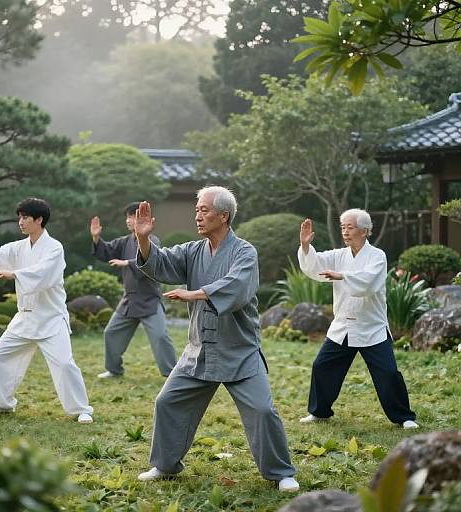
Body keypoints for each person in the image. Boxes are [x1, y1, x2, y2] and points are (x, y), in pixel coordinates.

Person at [134, 186, 299, 492]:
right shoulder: (192, 251)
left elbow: (237, 286)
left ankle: (281, 472)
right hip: (200, 348)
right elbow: (161, 262)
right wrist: (143, 237)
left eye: (204, 210)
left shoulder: (245, 252)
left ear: (224, 216)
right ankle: (165, 465)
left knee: (262, 410)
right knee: (167, 401)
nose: (197, 215)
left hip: (240, 350)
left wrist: (195, 293)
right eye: (196, 209)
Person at [0, 198, 94, 424]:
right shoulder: (18, 247)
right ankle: (3, 404)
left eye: (25, 218)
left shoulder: (54, 248)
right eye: (19, 217)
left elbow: (45, 274)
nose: (20, 222)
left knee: (65, 363)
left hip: (51, 318)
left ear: (39, 220)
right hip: (25, 317)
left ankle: (81, 409)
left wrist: (16, 275)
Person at [297, 209, 418, 429]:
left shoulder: (377, 256)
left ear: (364, 230)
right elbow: (316, 264)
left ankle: (404, 417)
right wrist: (306, 246)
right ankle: (319, 412)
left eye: (349, 227)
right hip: (343, 326)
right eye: (342, 227)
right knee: (322, 366)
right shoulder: (339, 256)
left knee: (388, 373)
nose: (345, 232)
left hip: (372, 327)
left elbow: (369, 283)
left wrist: (343, 275)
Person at [91, 202, 176, 378]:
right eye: (127, 217)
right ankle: (114, 370)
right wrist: (96, 239)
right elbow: (106, 251)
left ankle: (172, 374)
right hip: (128, 301)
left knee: (160, 337)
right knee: (111, 333)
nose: (128, 221)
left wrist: (127, 263)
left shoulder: (152, 240)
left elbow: (151, 262)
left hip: (149, 300)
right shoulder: (124, 241)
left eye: (132, 217)